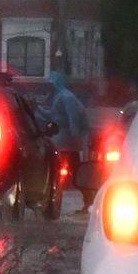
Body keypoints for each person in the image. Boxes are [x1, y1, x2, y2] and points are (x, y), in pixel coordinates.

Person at [45, 71, 91, 210]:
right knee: (73, 170)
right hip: (63, 141)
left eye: (51, 83)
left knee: (74, 170)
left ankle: (88, 198)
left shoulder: (66, 97)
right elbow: (52, 115)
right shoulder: (59, 97)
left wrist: (75, 135)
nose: (49, 86)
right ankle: (87, 199)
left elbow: (73, 117)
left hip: (67, 142)